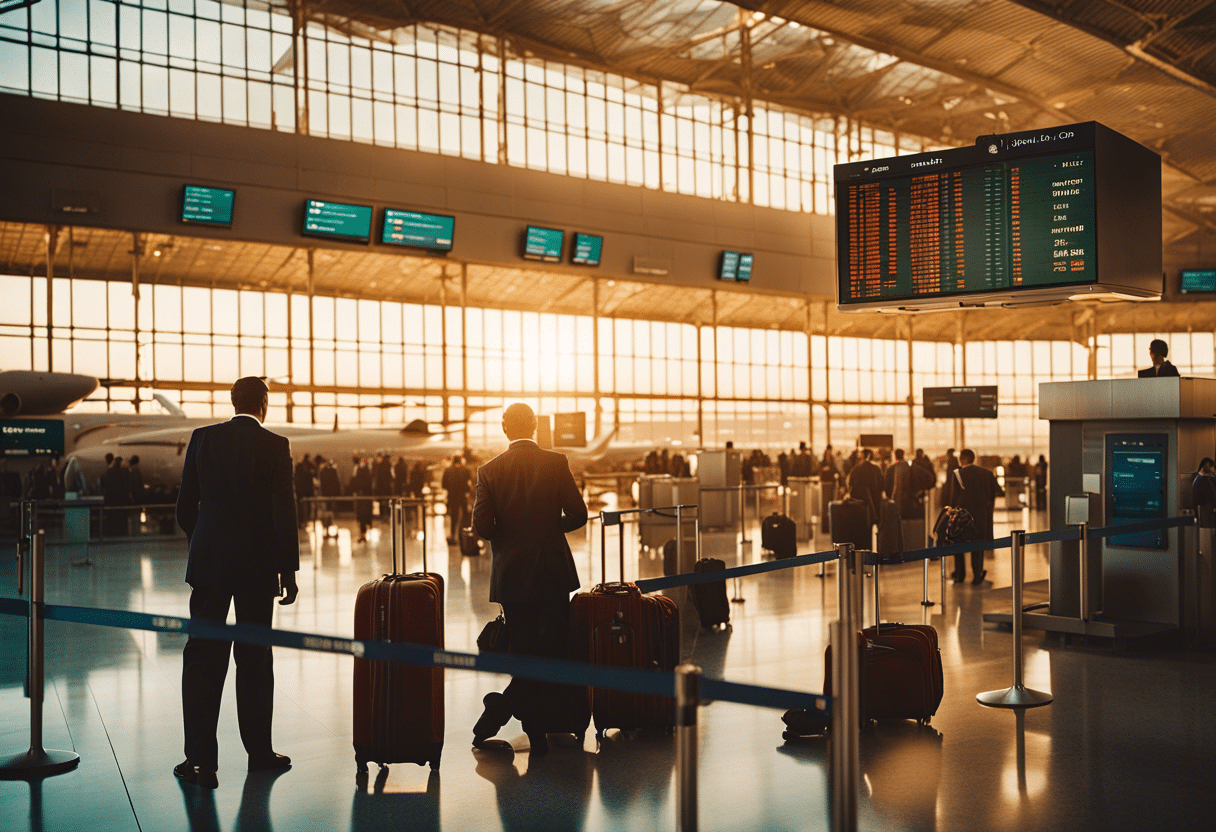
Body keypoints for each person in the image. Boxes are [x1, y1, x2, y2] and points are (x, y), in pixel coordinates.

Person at [174, 377, 298, 789]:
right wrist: (288, 571)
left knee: (203, 660)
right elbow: (285, 514)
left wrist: (203, 543)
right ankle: (259, 753)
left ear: (232, 402)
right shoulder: (276, 446)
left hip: (209, 566)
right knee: (256, 661)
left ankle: (200, 762)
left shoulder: (202, 439)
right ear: (264, 404)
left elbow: (184, 505)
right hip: (258, 569)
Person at [471, 403, 588, 757]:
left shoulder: (489, 470)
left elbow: (481, 527)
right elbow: (579, 514)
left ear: (505, 429)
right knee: (553, 649)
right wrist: (549, 529)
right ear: (535, 427)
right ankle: (523, 715)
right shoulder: (556, 462)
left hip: (513, 577)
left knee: (523, 652)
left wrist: (510, 538)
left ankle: (527, 727)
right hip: (552, 571)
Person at [949, 449, 1003, 585]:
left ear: (962, 459)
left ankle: (959, 576)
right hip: (980, 516)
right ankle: (977, 576)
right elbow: (999, 490)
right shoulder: (986, 473)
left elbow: (952, 498)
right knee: (978, 545)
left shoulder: (957, 474)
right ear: (973, 459)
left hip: (962, 516)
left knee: (959, 545)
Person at [846, 448, 884, 531]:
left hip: (859, 503)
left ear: (862, 456)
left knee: (861, 528)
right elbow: (881, 485)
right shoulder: (876, 469)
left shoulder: (856, 469)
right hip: (874, 504)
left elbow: (850, 485)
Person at [442, 454, 473, 545]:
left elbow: (444, 484)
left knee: (454, 517)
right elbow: (469, 484)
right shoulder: (466, 470)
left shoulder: (448, 470)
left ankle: (453, 536)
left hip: (452, 496)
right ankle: (465, 536)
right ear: (460, 461)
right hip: (463, 496)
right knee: (465, 516)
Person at [1193, 458, 1216, 528]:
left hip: (1206, 511)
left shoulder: (1201, 479)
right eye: (1211, 467)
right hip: (1205, 511)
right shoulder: (1202, 480)